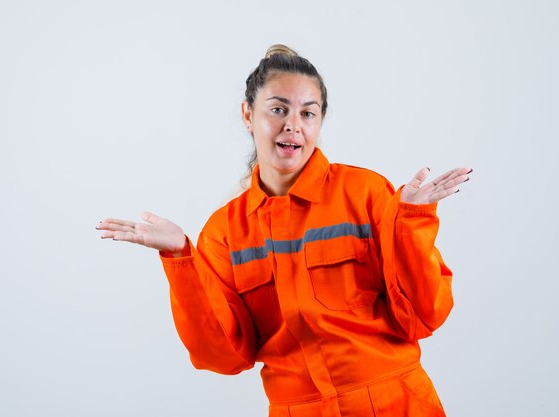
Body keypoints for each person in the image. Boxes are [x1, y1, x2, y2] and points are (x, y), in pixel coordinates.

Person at [96, 44, 472, 417]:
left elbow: (423, 314)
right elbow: (223, 355)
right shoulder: (225, 231)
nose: (293, 124)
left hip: (396, 403)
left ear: (320, 121)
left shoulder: (365, 193)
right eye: (278, 109)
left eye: (308, 113)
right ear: (248, 114)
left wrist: (410, 220)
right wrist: (181, 256)